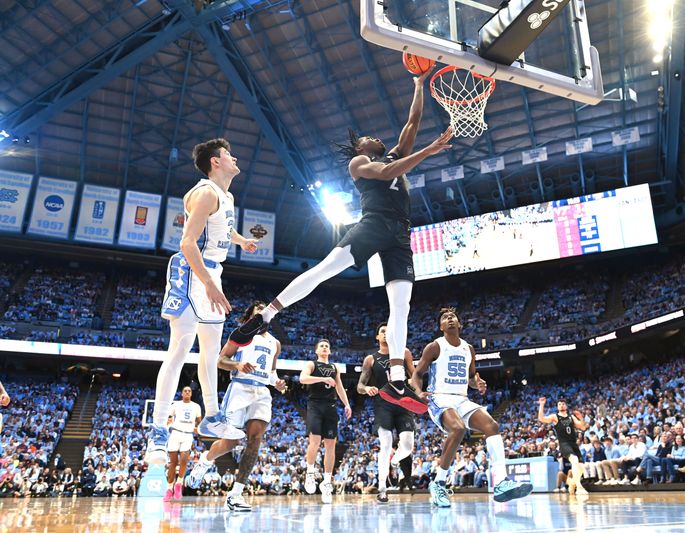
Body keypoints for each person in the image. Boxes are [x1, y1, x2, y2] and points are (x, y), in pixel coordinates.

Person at [231, 71, 454, 414]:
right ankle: (266, 316)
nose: (374, 137)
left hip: (400, 233)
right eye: (367, 137)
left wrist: (419, 85)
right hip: (374, 224)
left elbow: (412, 121)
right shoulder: (359, 163)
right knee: (324, 270)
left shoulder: (394, 155)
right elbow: (385, 175)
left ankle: (396, 376)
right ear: (360, 148)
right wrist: (430, 150)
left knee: (401, 305)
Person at [146, 138, 259, 464]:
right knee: (181, 347)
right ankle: (158, 431)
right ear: (215, 162)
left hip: (213, 273)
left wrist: (242, 242)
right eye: (228, 154)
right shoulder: (205, 192)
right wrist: (208, 284)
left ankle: (211, 416)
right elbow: (187, 243)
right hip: (191, 271)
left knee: (210, 352)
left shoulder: (226, 196)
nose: (234, 157)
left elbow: (225, 229)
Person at [411, 307, 532, 507]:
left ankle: (501, 482)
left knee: (492, 426)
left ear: (459, 324)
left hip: (461, 398)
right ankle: (439, 482)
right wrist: (418, 392)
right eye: (445, 318)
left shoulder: (469, 349)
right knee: (457, 429)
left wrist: (478, 383)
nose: (449, 318)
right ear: (441, 326)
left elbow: (470, 378)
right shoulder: (434, 346)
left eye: (453, 317)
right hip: (439, 397)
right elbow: (416, 374)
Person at [187, 302, 286, 511]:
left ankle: (236, 494)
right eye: (258, 312)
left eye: (265, 312)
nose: (263, 315)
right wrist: (237, 365)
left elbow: (272, 371)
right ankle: (204, 461)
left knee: (255, 440)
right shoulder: (241, 334)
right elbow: (220, 360)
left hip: (262, 392)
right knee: (230, 443)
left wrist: (276, 382)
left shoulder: (275, 343)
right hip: (240, 388)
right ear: (250, 316)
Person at [357, 323, 416, 502]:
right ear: (377, 337)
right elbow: (359, 386)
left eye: (388, 331)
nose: (385, 334)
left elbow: (414, 377)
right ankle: (382, 488)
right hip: (383, 405)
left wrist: (416, 387)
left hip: (403, 403)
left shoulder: (404, 352)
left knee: (407, 445)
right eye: (382, 331)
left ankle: (394, 461)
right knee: (386, 443)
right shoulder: (371, 359)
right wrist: (367, 389)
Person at [300, 339, 352, 504]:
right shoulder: (312, 364)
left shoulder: (334, 367)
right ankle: (310, 473)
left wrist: (347, 404)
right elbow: (303, 379)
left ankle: (327, 482)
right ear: (316, 350)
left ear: (330, 351)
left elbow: (340, 387)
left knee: (331, 445)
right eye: (321, 346)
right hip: (315, 404)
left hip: (330, 407)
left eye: (327, 346)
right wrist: (322, 380)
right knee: (314, 441)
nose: (324, 348)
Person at [538, 397, 589, 495]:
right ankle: (579, 487)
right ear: (557, 407)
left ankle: (571, 483)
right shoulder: (555, 416)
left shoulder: (571, 417)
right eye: (559, 404)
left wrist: (581, 418)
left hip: (573, 444)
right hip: (564, 443)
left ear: (566, 406)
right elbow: (542, 419)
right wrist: (541, 405)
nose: (561, 405)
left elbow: (582, 427)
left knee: (581, 467)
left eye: (563, 404)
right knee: (574, 460)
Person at [163, 386, 202, 501]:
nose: (187, 392)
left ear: (191, 393)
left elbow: (200, 422)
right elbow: (169, 418)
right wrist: (169, 426)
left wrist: (198, 429)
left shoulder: (196, 406)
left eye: (189, 391)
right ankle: (169, 489)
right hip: (175, 434)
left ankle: (179, 483)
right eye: (185, 390)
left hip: (188, 435)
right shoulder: (175, 405)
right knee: (173, 463)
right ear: (182, 393)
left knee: (184, 459)